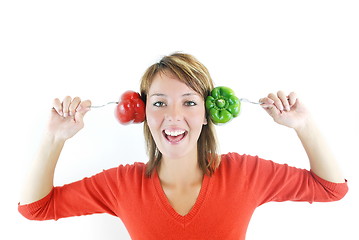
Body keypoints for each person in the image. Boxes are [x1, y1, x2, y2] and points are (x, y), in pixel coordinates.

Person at [18, 53, 348, 240]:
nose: (174, 116)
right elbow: (36, 209)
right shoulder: (121, 184)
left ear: (208, 114)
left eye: (189, 103)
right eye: (160, 104)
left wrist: (304, 124)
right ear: (144, 114)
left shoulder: (246, 173)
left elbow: (331, 189)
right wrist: (54, 137)